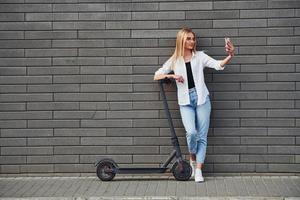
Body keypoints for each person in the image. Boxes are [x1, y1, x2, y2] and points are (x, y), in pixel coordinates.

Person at [153, 27, 235, 182]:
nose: (192, 41)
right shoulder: (175, 60)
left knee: (202, 136)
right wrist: (172, 76)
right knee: (191, 133)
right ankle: (192, 159)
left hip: (202, 99)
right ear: (181, 40)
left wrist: (230, 55)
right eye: (188, 38)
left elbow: (218, 65)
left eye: (193, 38)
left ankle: (198, 170)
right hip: (185, 101)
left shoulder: (200, 56)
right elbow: (156, 75)